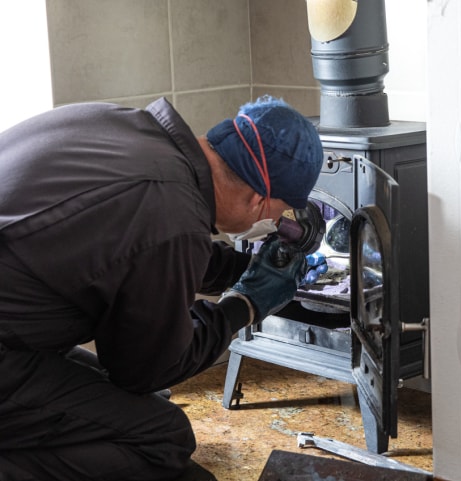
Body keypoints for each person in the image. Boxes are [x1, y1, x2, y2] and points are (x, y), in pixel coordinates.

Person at [0, 96, 324, 481]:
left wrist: (245, 268)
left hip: (16, 334)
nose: (274, 221)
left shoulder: (130, 128)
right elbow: (144, 369)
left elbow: (137, 250)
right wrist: (245, 304)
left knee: (134, 404)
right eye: (278, 211)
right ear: (258, 200)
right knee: (164, 439)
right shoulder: (171, 215)